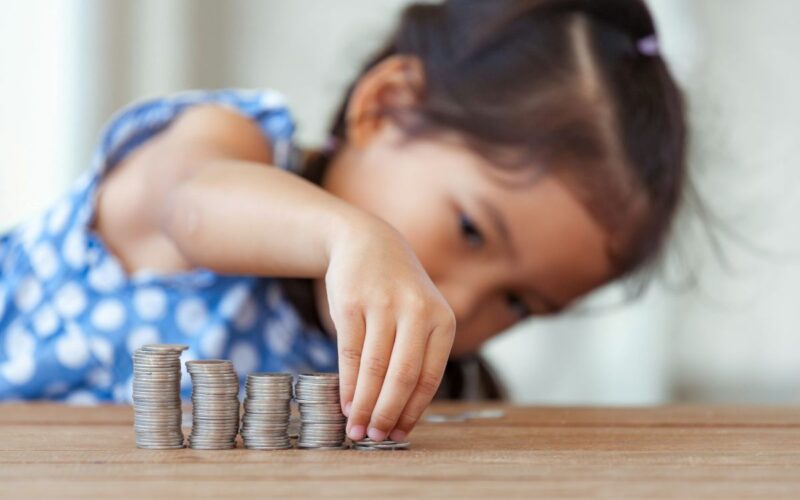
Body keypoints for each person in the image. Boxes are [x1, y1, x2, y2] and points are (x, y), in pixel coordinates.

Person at [0, 0, 686, 444]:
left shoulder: (404, 384)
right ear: (384, 107)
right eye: (471, 230)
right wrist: (351, 235)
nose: (460, 304)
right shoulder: (232, 144)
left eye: (518, 302)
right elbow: (192, 203)